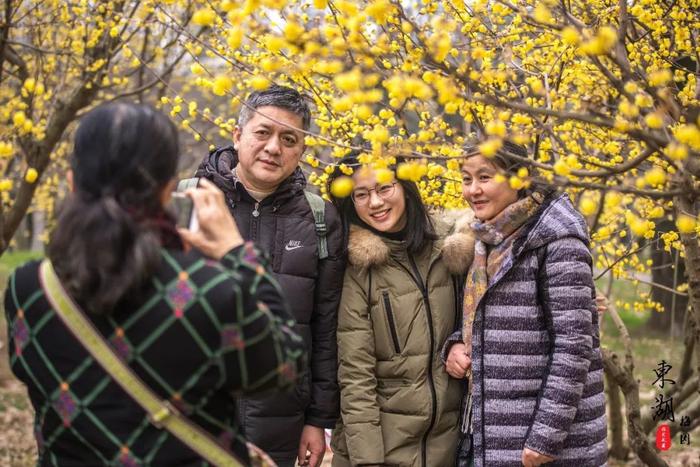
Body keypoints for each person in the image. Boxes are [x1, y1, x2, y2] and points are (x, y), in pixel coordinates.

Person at [4, 103, 306, 466]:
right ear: (167, 190)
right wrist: (239, 253)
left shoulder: (29, 286)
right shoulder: (211, 291)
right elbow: (283, 365)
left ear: (71, 182)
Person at [192, 85, 345, 467]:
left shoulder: (320, 218)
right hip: (193, 411)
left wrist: (317, 420)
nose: (274, 148)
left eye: (288, 138)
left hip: (279, 419)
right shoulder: (190, 201)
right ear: (238, 134)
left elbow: (325, 326)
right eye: (263, 132)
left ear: (302, 149)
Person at [443, 142, 608, 467]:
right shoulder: (488, 239)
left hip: (547, 446)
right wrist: (456, 346)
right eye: (466, 179)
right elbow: (488, 321)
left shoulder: (558, 241)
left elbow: (574, 346)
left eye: (485, 177)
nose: (472, 190)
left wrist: (545, 437)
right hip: (495, 434)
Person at [326, 155, 476, 467]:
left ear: (405, 186)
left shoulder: (447, 248)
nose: (375, 202)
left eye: (384, 188)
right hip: (381, 449)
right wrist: (369, 462)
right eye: (361, 194)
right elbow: (356, 377)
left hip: (446, 446)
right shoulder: (358, 269)